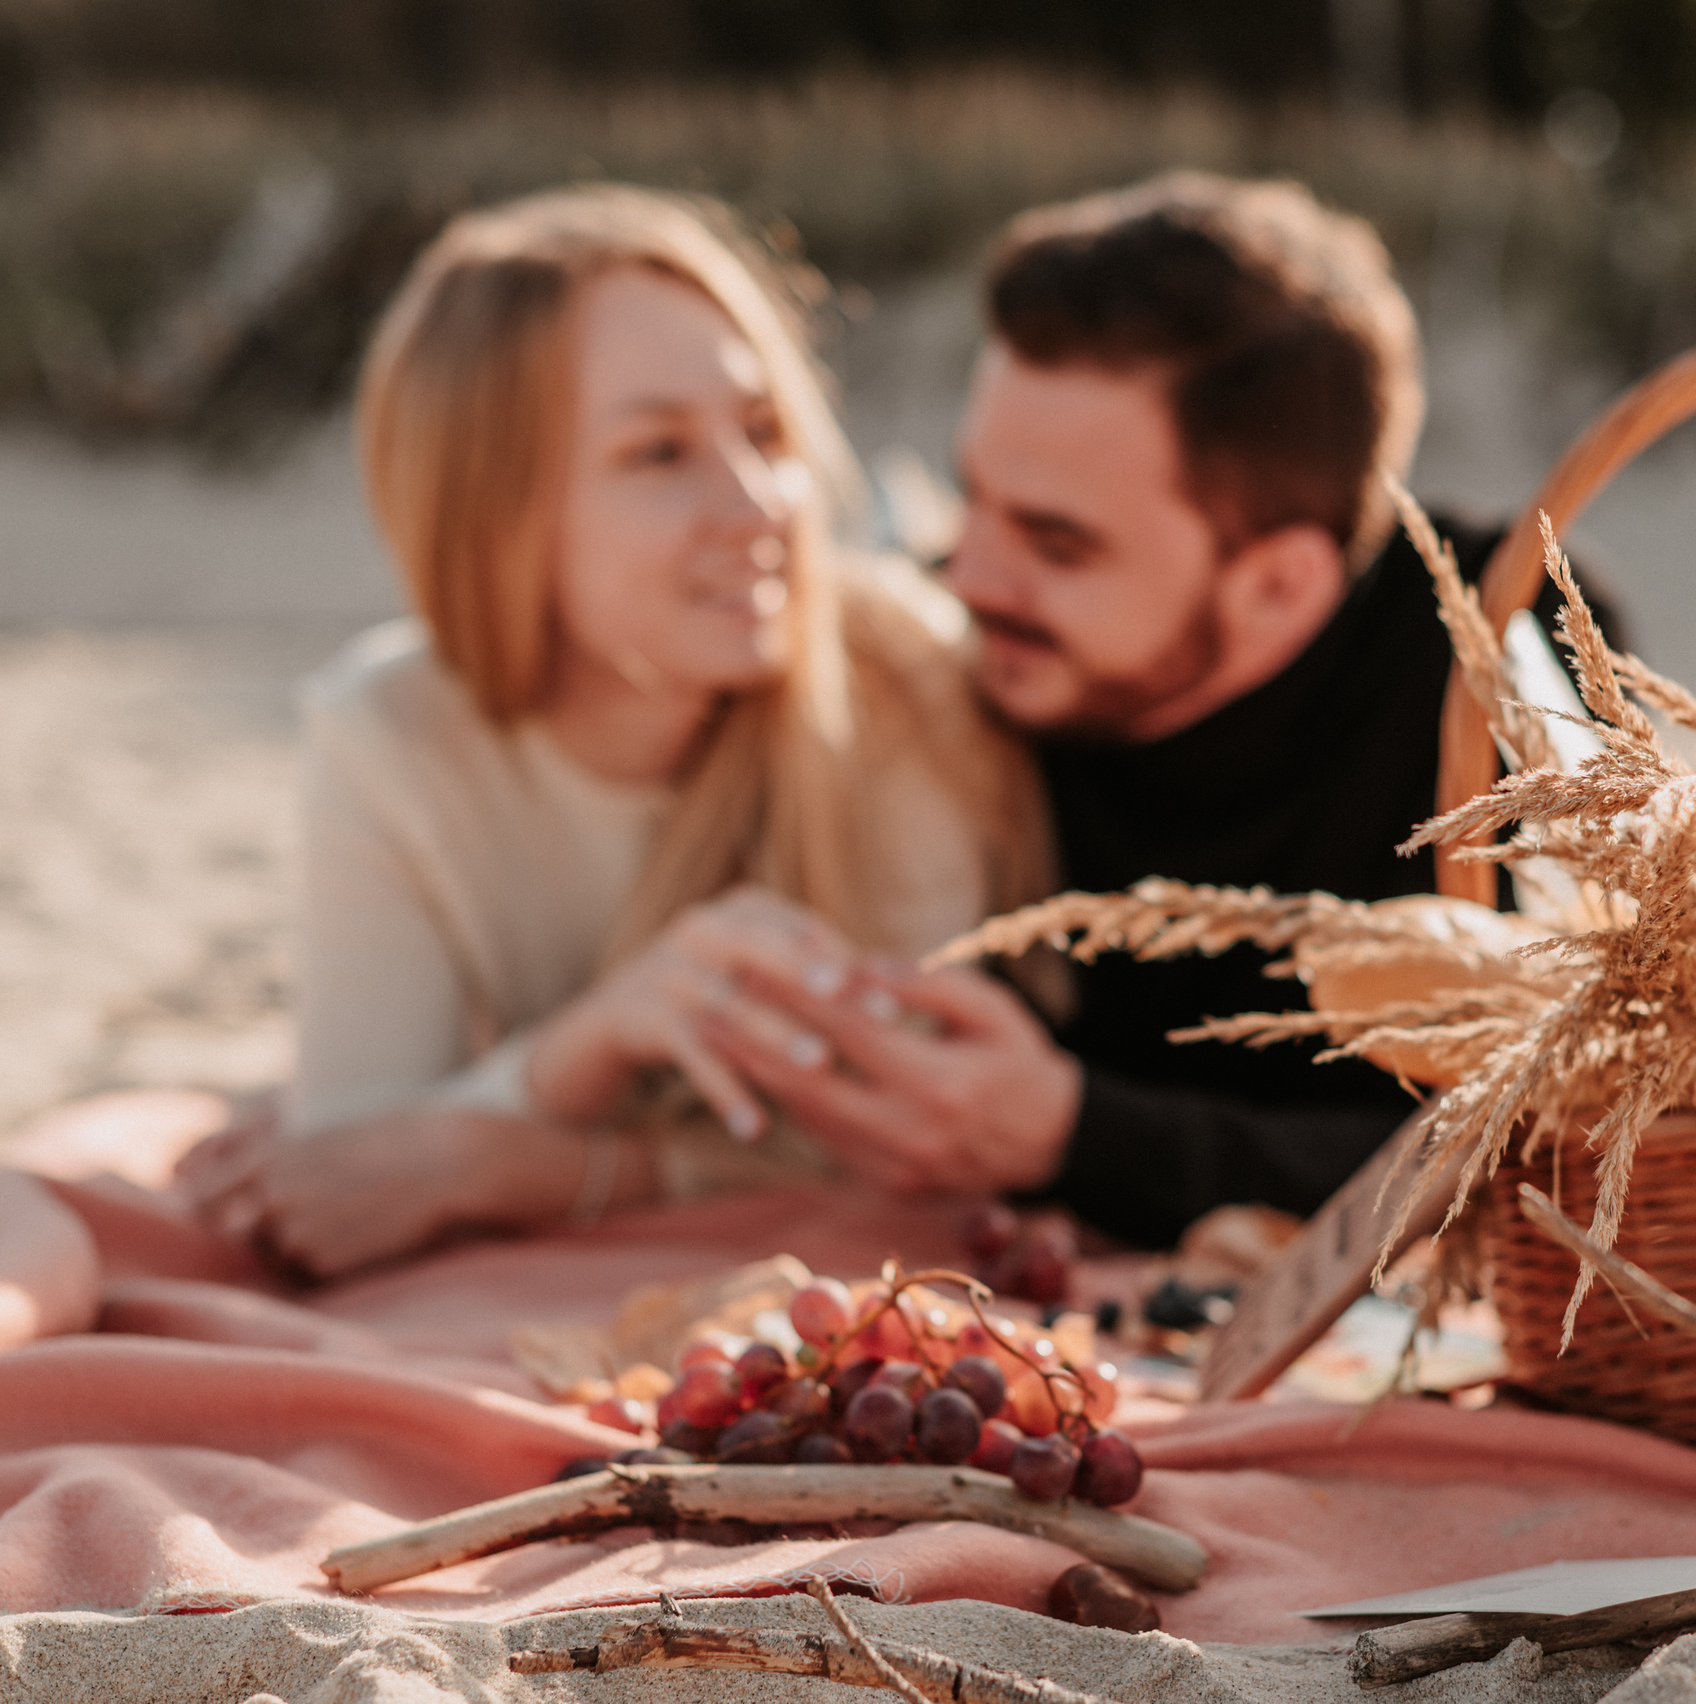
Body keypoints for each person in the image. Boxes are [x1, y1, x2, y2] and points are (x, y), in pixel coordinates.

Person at [685, 173, 1621, 1251]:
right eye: (970, 499)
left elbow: (1554, 1135)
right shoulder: (936, 671)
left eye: (1054, 543)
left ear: (1276, 587)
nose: (967, 578)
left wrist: (1081, 1137)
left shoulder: (1504, 658)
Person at [182, 185, 1049, 1277]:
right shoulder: (386, 732)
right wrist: (588, 1045)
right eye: (658, 453)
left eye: (765, 430)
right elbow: (351, 1171)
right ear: (494, 510)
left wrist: (506, 1159)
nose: (758, 504)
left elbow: (891, 1141)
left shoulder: (896, 685)